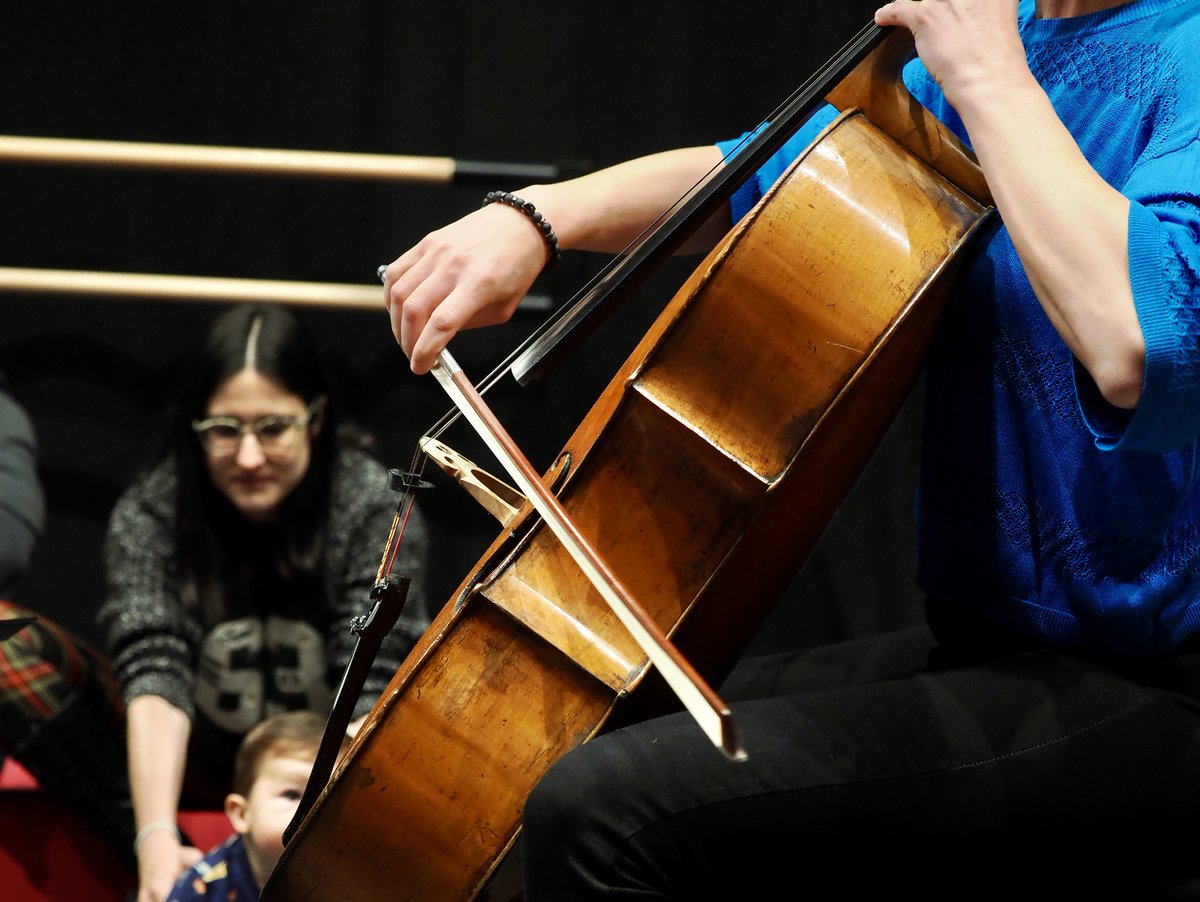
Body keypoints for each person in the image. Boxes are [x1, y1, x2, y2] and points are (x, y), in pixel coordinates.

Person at [381, 0, 1200, 897]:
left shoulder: (1152, 53)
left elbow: (1141, 344)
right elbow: (769, 170)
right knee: (571, 735)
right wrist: (538, 217)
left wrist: (989, 76)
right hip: (987, 643)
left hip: (1151, 681)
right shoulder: (1012, 34)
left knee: (604, 813)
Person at [167, 710, 332, 901]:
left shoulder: (349, 868)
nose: (316, 809)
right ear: (242, 814)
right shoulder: (203, 890)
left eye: (331, 795)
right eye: (292, 794)